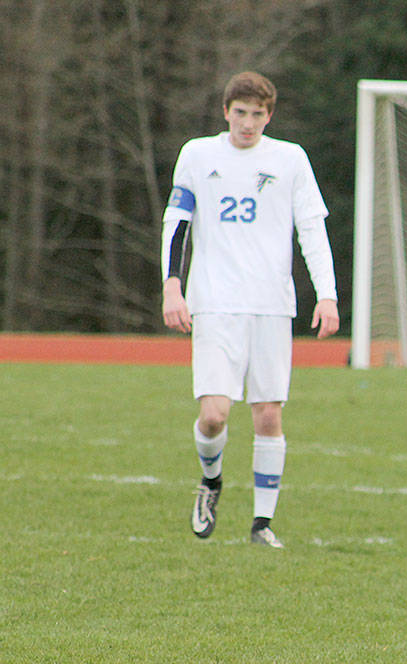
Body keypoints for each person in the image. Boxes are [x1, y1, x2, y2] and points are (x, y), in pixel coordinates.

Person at [161, 71, 339, 548]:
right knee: (215, 415)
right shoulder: (198, 155)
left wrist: (327, 294)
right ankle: (212, 480)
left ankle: (262, 525)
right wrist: (172, 287)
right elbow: (177, 223)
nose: (248, 123)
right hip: (215, 303)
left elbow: (313, 230)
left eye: (257, 114)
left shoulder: (290, 159)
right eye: (240, 113)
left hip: (271, 306)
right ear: (225, 112)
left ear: (269, 115)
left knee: (267, 416)